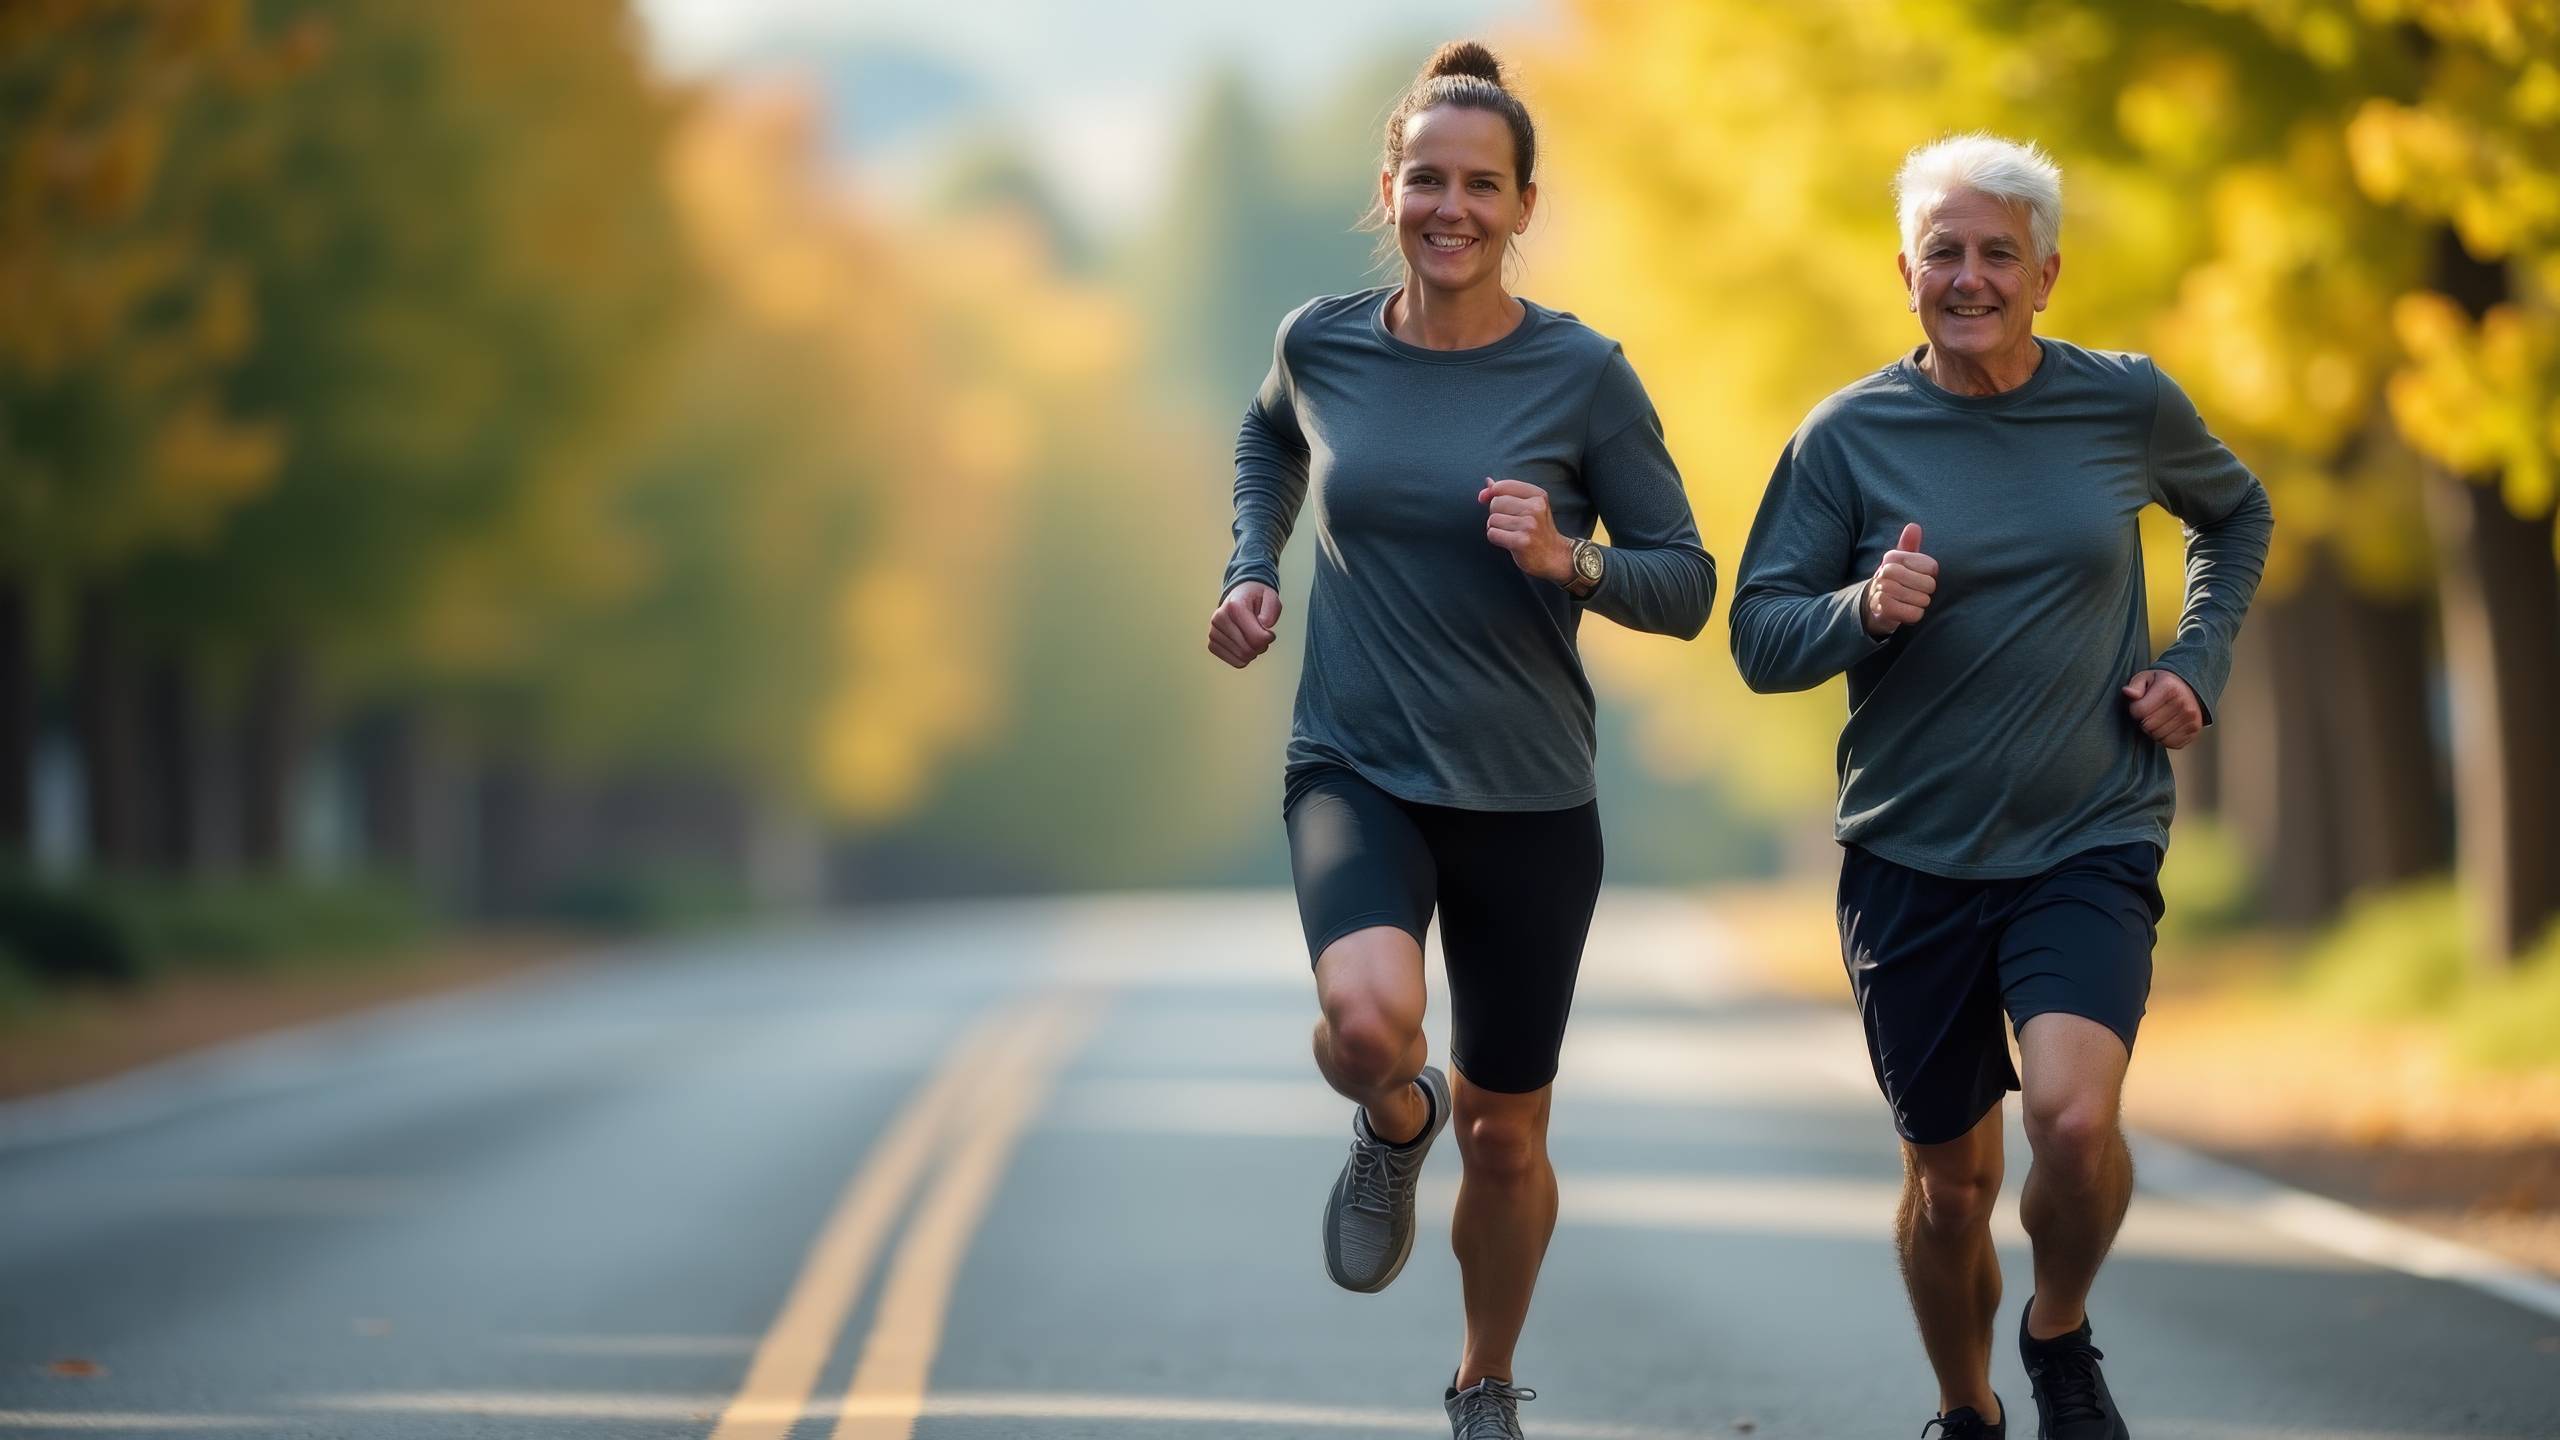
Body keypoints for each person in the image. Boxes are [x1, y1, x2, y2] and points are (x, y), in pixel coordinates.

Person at [1206, 39, 1715, 1440]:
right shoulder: (1322, 342)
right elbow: (1270, 441)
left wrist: (1572, 561)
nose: (1453, 208)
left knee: (1509, 1135)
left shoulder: (1583, 377)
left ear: (1522, 206)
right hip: (1356, 764)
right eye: (1427, 179)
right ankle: (1390, 1118)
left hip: (1530, 794)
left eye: (1482, 186)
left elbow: (1687, 580)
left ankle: (1484, 1380)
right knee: (1367, 1023)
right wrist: (1255, 562)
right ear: (1390, 188)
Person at [1728, 133, 2272, 1440]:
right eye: (1944, 255)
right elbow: (1757, 635)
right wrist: (1863, 607)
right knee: (1954, 1192)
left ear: (2047, 275)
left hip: (2089, 829)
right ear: (1906, 274)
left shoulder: (2127, 405)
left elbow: (2235, 514)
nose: (1969, 278)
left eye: (1997, 256)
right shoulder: (1846, 436)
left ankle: (2058, 1333)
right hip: (1910, 854)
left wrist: (2194, 661)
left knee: (2077, 1126)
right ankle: (1964, 1410)